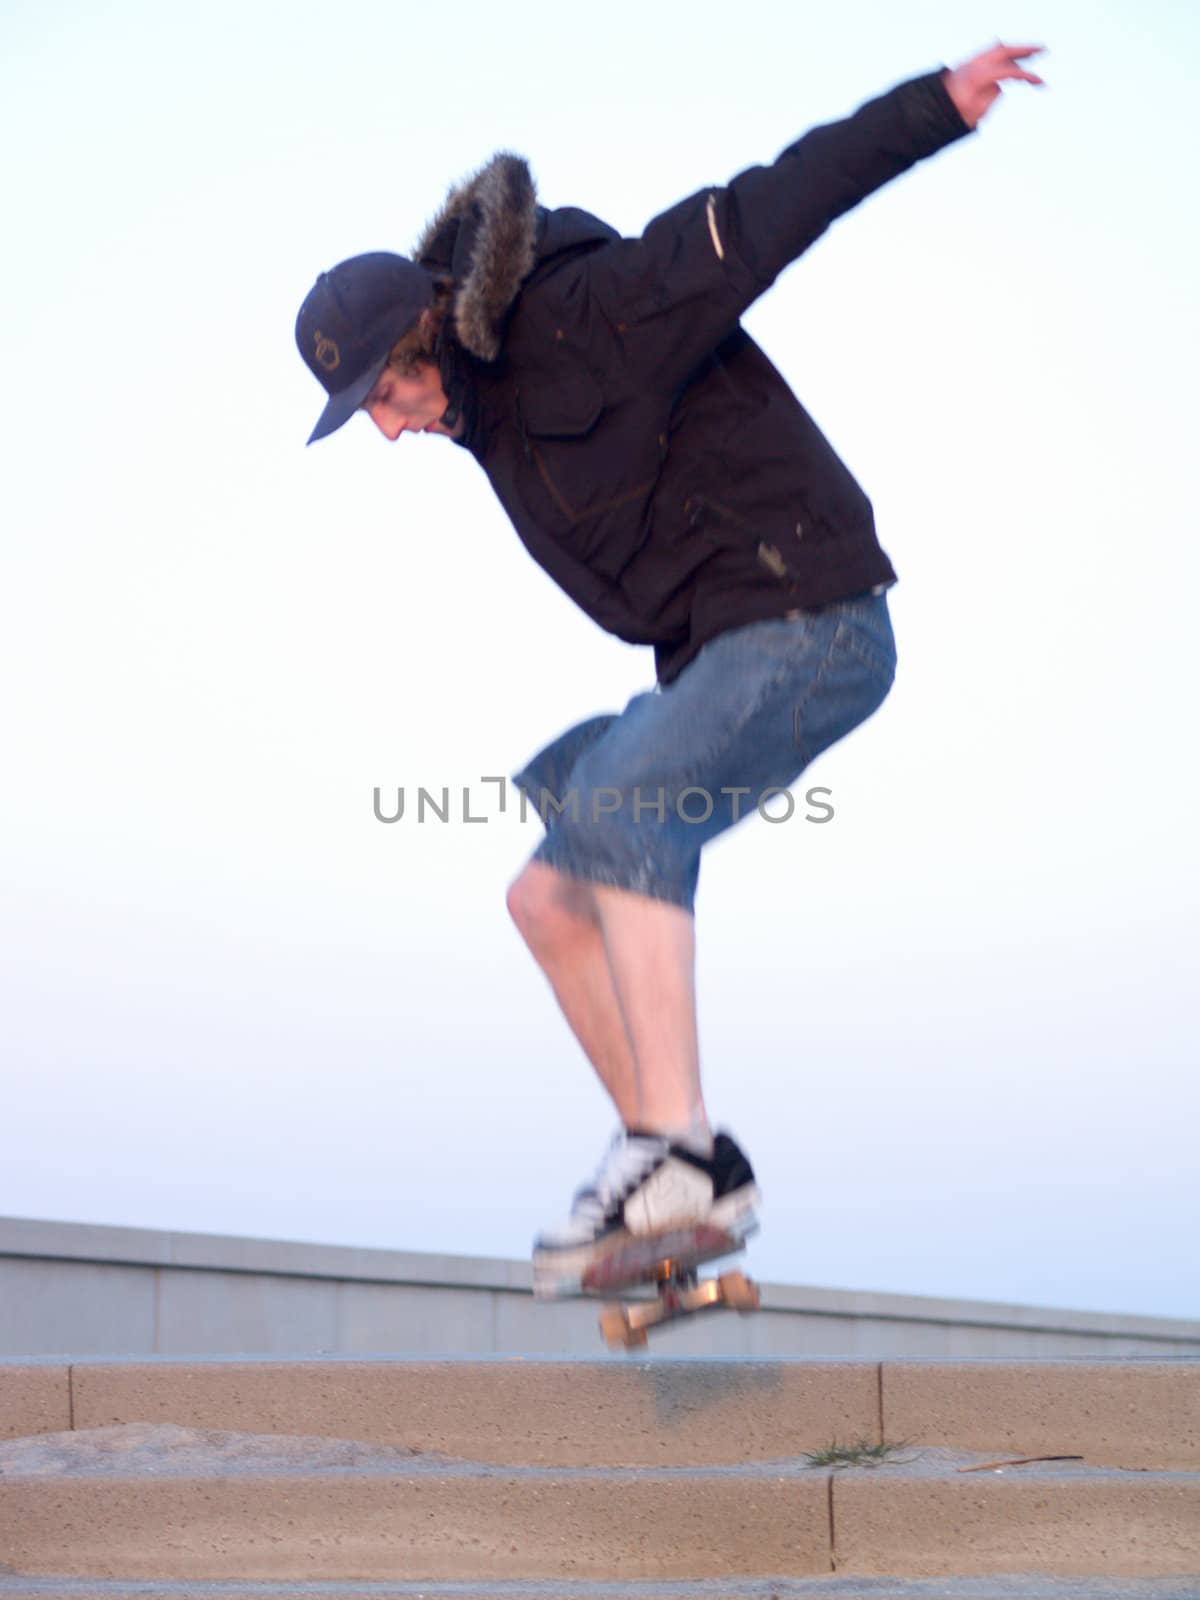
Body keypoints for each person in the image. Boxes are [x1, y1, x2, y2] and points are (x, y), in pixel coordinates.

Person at [295, 43, 1047, 1297]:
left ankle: (682, 1149)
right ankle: (673, 1159)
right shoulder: (483, 418)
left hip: (816, 620)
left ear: (430, 327)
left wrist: (936, 108)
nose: (388, 426)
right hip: (720, 656)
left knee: (628, 804)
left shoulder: (592, 310)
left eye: (386, 391)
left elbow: (768, 209)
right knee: (545, 891)